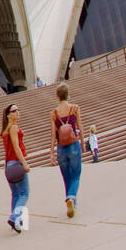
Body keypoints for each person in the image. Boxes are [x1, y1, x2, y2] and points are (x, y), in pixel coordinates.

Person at [51, 83, 83, 217]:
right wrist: (81, 141)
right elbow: (80, 126)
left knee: (66, 177)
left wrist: (51, 153)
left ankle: (72, 202)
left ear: (57, 96)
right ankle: (71, 198)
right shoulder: (74, 108)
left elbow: (53, 134)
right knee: (76, 175)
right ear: (67, 94)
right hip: (73, 144)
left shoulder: (54, 113)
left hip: (61, 148)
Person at [1, 103, 30, 232]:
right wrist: (25, 164)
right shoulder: (13, 127)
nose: (17, 112)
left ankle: (17, 221)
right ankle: (14, 218)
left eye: (18, 109)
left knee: (15, 194)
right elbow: (16, 147)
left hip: (8, 165)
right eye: (14, 110)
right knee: (24, 193)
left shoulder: (5, 129)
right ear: (9, 115)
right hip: (16, 163)